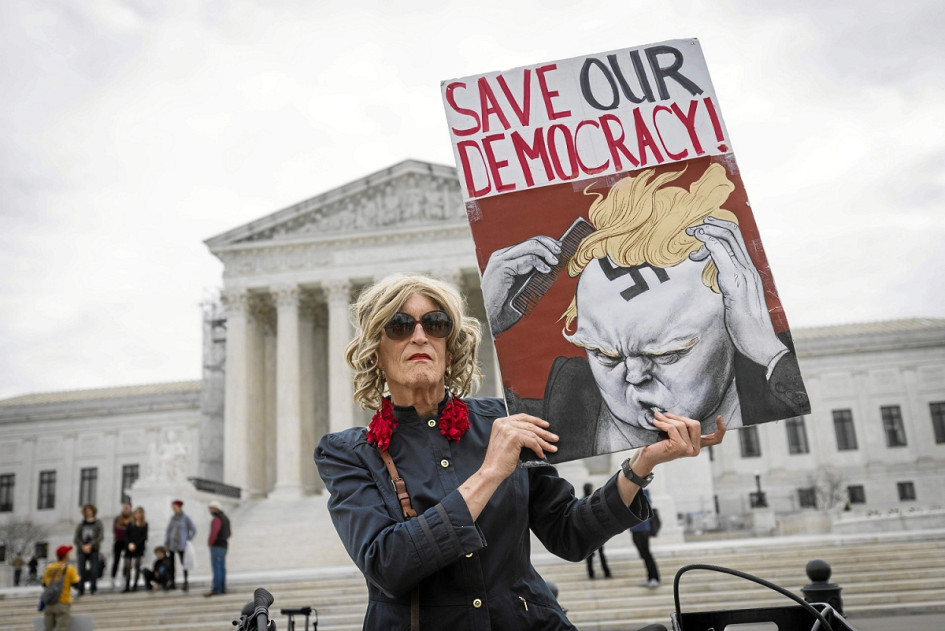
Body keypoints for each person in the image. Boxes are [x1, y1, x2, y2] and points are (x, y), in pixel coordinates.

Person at [314, 273, 726, 630]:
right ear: (376, 349)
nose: (420, 335)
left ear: (449, 344)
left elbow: (569, 534)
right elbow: (389, 565)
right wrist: (489, 473)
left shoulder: (505, 420)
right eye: (400, 325)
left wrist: (641, 464)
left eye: (435, 324)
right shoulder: (349, 453)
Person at [482, 162, 808, 461]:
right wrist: (488, 324)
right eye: (605, 354)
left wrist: (769, 353)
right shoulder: (555, 416)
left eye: (666, 354)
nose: (635, 377)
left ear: (734, 326)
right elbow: (474, 423)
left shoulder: (779, 388)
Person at [42, 544, 81, 631]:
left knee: (47, 629)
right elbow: (76, 585)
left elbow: (44, 584)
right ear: (65, 555)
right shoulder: (69, 568)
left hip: (49, 604)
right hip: (62, 603)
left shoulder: (48, 568)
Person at [630, 489, 660, 588]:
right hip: (634, 528)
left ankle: (655, 578)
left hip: (643, 528)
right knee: (643, 554)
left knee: (647, 554)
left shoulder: (643, 491)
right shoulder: (630, 491)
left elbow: (645, 503)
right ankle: (649, 577)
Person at [164, 499, 196, 591]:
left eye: (175, 507)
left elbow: (193, 530)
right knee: (171, 564)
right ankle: (172, 582)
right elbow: (168, 531)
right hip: (172, 545)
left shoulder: (185, 518)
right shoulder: (172, 518)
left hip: (181, 545)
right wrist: (166, 542)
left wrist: (188, 539)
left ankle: (186, 582)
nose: (174, 509)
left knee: (184, 563)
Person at [73, 503, 104, 596]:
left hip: (93, 549)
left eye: (90, 510)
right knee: (81, 569)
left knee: (94, 569)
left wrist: (91, 545)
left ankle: (93, 588)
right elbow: (76, 538)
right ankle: (80, 589)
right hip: (82, 549)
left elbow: (100, 536)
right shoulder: (81, 524)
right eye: (86, 510)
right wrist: (82, 546)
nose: (88, 512)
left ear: (93, 511)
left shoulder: (98, 523)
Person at [582, 483, 611, 580]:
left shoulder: (581, 501)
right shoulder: (592, 500)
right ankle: (606, 573)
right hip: (597, 531)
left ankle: (591, 574)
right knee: (601, 554)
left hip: (587, 532)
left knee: (589, 555)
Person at [204, 500, 231, 597]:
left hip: (217, 545)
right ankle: (222, 588)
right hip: (224, 545)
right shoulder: (226, 519)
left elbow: (214, 533)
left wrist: (210, 543)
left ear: (215, 509)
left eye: (210, 509)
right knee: (222, 567)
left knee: (216, 567)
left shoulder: (216, 519)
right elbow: (229, 533)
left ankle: (216, 588)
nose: (210, 511)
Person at [122, 506, 148, 592]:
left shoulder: (144, 525)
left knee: (137, 566)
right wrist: (129, 544)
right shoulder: (130, 524)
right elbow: (125, 535)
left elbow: (144, 537)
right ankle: (127, 585)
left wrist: (135, 545)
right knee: (128, 566)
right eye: (136, 513)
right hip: (129, 547)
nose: (137, 515)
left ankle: (135, 585)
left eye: (139, 513)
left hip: (138, 547)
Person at [110, 501, 133, 590]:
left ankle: (124, 577)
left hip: (127, 542)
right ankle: (113, 578)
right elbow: (115, 530)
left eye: (127, 507)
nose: (125, 509)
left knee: (126, 561)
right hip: (119, 541)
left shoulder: (132, 519)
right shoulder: (118, 519)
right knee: (116, 559)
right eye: (124, 507)